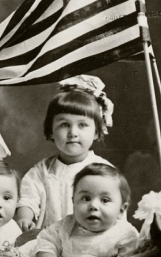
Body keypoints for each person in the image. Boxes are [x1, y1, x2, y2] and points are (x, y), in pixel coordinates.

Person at [14, 75, 115, 231]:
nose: (73, 133)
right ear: (51, 131)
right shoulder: (42, 171)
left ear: (97, 132)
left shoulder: (103, 170)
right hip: (50, 241)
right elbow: (28, 200)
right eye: (64, 125)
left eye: (82, 125)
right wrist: (24, 218)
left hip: (90, 238)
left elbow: (114, 207)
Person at [34, 163, 139, 257]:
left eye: (105, 200)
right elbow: (44, 245)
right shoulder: (65, 226)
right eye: (85, 198)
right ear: (74, 202)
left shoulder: (125, 234)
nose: (93, 205)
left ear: (121, 209)